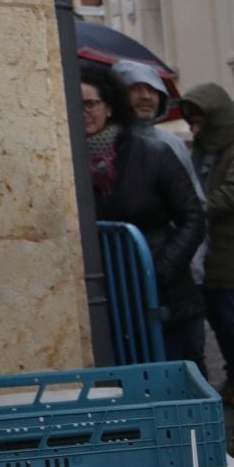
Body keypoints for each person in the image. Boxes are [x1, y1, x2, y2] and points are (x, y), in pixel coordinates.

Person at [81, 62, 210, 370]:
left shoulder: (153, 153)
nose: (84, 111)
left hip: (164, 295)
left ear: (109, 107)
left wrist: (160, 270)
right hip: (109, 302)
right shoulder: (66, 161)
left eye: (90, 103)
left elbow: (193, 216)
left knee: (179, 384)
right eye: (75, 104)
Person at [180, 83, 234, 406]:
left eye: (199, 118)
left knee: (231, 315)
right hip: (213, 250)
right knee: (218, 315)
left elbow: (233, 194)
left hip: (233, 250)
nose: (193, 126)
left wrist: (192, 208)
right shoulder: (206, 148)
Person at [114, 59, 203, 199]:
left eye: (151, 89)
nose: (145, 96)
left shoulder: (174, 144)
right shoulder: (105, 144)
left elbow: (195, 200)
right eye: (135, 88)